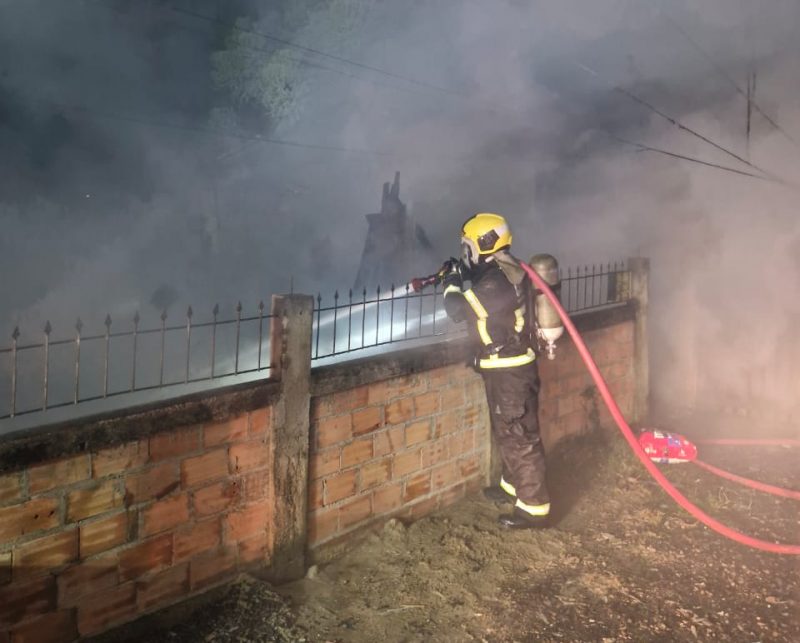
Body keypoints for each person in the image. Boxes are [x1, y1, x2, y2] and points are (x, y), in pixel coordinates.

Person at [441, 213, 550, 528]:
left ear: (484, 244)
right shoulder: (500, 270)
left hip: (510, 371)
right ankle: (513, 487)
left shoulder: (496, 281)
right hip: (503, 367)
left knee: (518, 436)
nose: (466, 253)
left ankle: (534, 509)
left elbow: (458, 310)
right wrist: (462, 271)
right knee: (509, 432)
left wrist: (450, 281)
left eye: (468, 247)